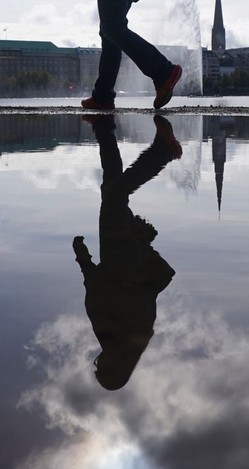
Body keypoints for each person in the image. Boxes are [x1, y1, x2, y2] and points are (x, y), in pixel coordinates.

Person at [72, 115, 181, 390]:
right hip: (117, 252)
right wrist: (83, 257)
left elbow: (142, 289)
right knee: (115, 194)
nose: (98, 361)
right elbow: (96, 292)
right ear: (112, 366)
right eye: (102, 366)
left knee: (111, 187)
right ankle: (162, 152)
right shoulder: (112, 336)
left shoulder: (138, 338)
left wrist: (143, 240)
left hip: (126, 254)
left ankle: (105, 129)